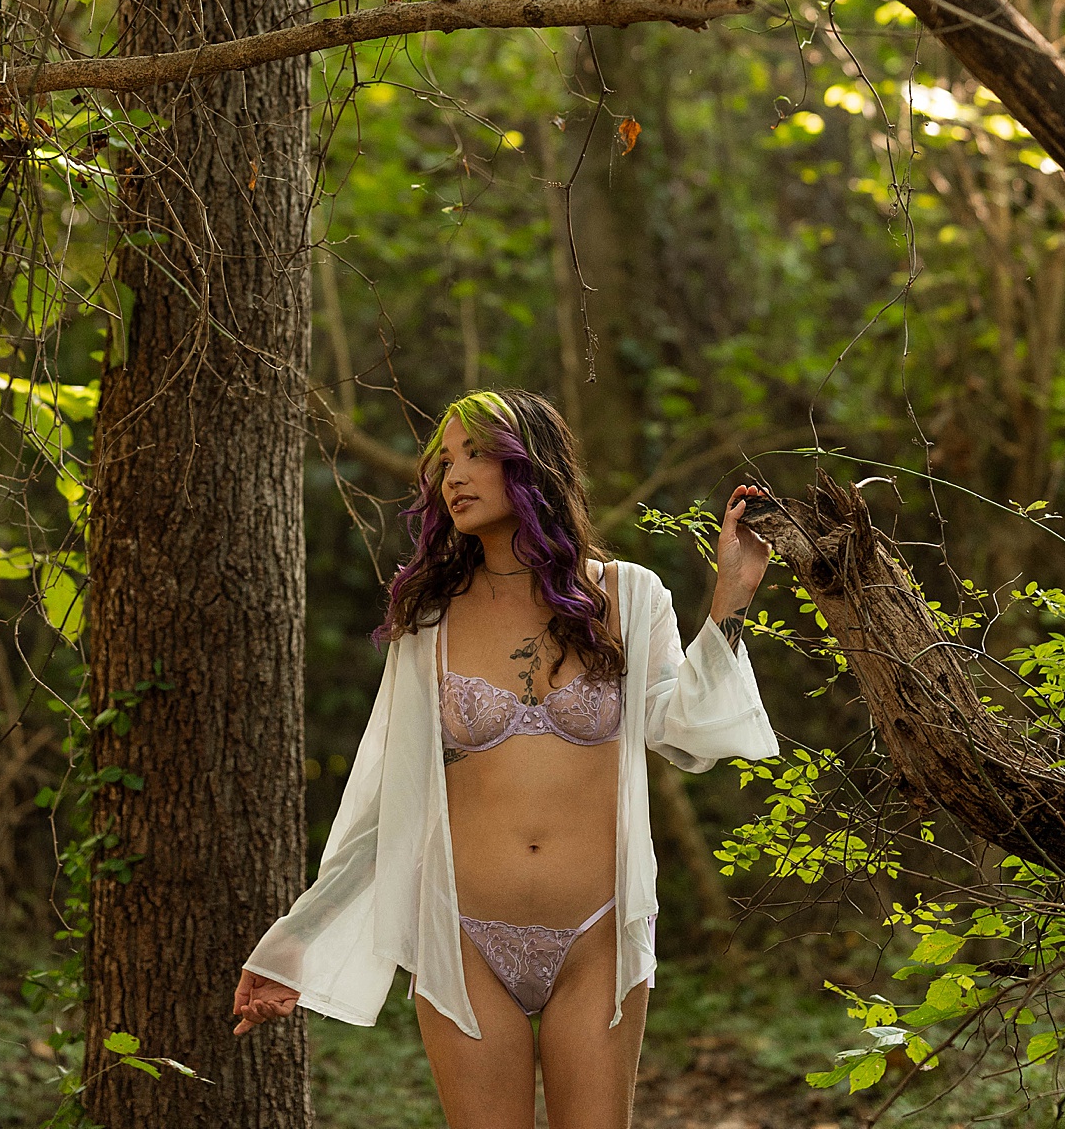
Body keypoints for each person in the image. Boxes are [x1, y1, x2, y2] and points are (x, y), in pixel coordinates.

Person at [232, 388, 777, 1129]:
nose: (453, 476)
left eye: (476, 455)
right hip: (462, 939)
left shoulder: (629, 596)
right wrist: (291, 943)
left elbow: (684, 735)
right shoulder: (431, 620)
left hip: (599, 934)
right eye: (444, 461)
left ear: (532, 466)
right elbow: (382, 801)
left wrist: (731, 598)